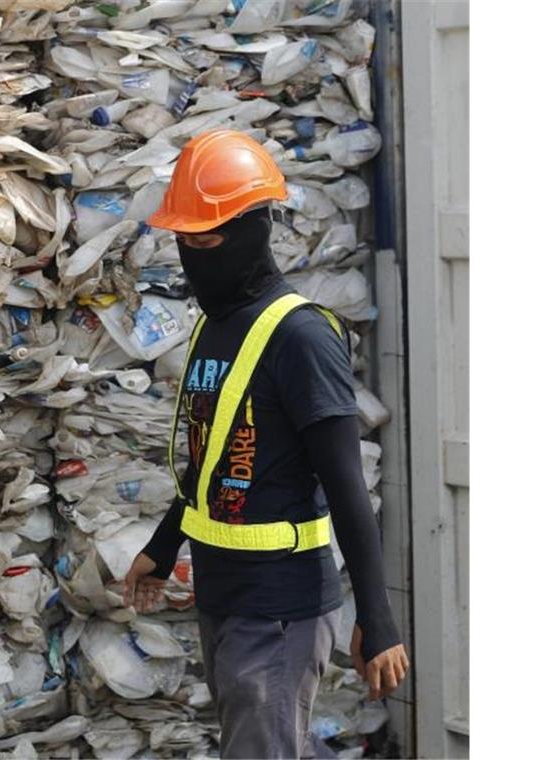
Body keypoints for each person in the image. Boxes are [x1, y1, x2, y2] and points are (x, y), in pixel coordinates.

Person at [121, 130, 409, 759]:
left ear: (254, 228)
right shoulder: (216, 326)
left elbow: (345, 486)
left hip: (279, 606)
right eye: (185, 240)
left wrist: (377, 619)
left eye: (208, 239)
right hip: (223, 592)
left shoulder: (300, 338)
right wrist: (164, 545)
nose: (194, 254)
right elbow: (210, 459)